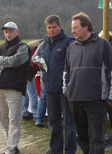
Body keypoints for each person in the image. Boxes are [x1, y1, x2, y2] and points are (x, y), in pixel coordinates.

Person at [63, 12, 112, 154]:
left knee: (96, 138)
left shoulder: (103, 45)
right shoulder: (71, 48)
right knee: (82, 136)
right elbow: (66, 73)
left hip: (95, 100)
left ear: (86, 27)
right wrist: (67, 90)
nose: (72, 31)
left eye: (76, 27)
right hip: (75, 99)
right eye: (72, 28)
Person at [32, 15, 76, 154]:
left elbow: (74, 64)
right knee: (53, 122)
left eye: (54, 27)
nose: (51, 30)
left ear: (59, 26)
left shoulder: (69, 42)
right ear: (46, 28)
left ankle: (70, 150)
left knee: (69, 123)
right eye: (49, 28)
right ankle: (55, 149)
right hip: (49, 89)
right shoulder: (44, 44)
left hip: (65, 90)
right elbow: (35, 59)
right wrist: (38, 62)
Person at [0, 21, 29, 154]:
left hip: (15, 87)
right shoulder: (0, 47)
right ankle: (11, 144)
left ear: (16, 32)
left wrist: (1, 61)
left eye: (10, 31)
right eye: (6, 32)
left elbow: (17, 60)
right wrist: (6, 63)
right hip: (0, 86)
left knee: (14, 118)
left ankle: (11, 148)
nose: (8, 34)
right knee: (2, 117)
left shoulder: (22, 47)